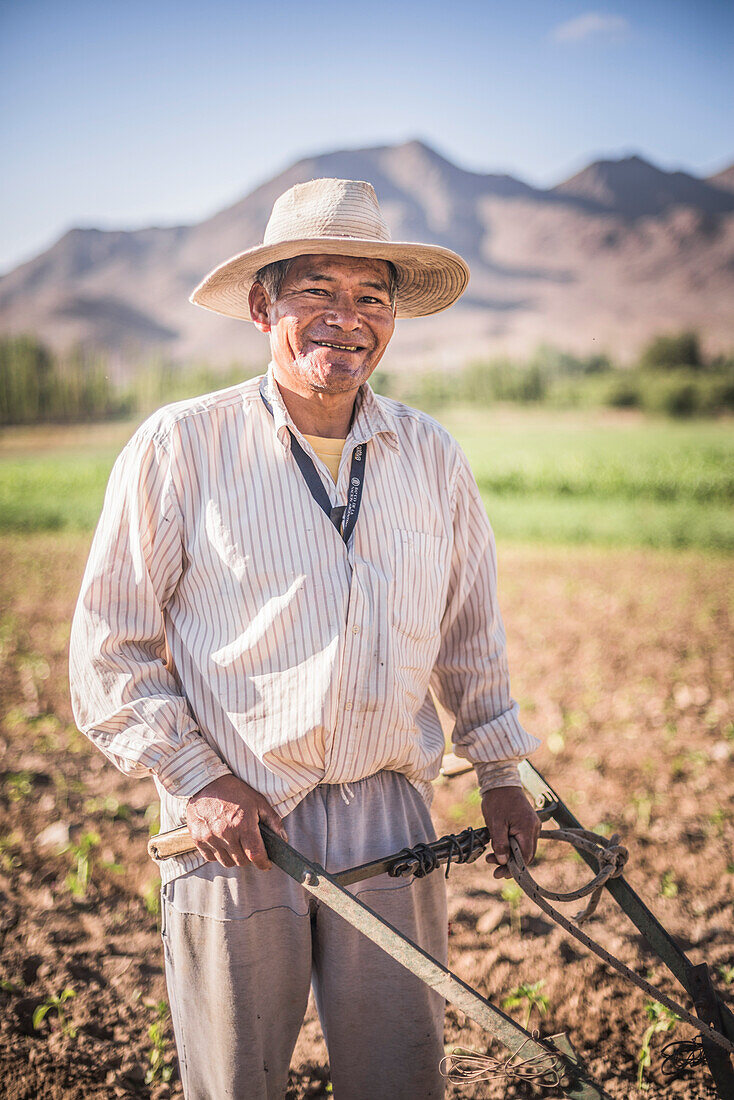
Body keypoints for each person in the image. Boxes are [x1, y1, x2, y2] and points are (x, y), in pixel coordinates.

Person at [69, 177, 541, 1100]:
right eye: (317, 291)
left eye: (371, 297)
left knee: (401, 1076)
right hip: (239, 822)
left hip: (389, 812)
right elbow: (108, 650)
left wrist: (500, 771)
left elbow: (469, 635)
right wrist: (200, 782)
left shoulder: (430, 455)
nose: (346, 319)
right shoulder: (182, 446)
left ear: (394, 319)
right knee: (237, 1080)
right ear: (262, 306)